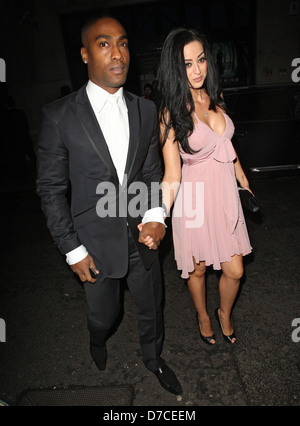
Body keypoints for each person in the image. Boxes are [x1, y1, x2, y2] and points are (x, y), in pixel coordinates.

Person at [36, 15, 182, 395]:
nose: (118, 53)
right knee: (105, 315)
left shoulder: (145, 110)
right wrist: (72, 250)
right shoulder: (59, 116)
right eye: (104, 44)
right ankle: (96, 338)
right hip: (93, 244)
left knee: (153, 306)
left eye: (123, 43)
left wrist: (155, 216)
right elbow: (51, 190)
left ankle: (153, 359)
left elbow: (151, 171)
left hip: (142, 238)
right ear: (84, 54)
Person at [154, 28, 253, 345]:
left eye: (201, 60)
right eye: (187, 64)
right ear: (175, 68)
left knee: (235, 270)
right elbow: (172, 174)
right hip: (194, 201)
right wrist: (159, 214)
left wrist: (243, 179)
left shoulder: (216, 97)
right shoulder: (170, 113)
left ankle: (224, 312)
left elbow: (226, 144)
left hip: (225, 196)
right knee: (196, 271)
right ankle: (203, 315)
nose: (197, 70)